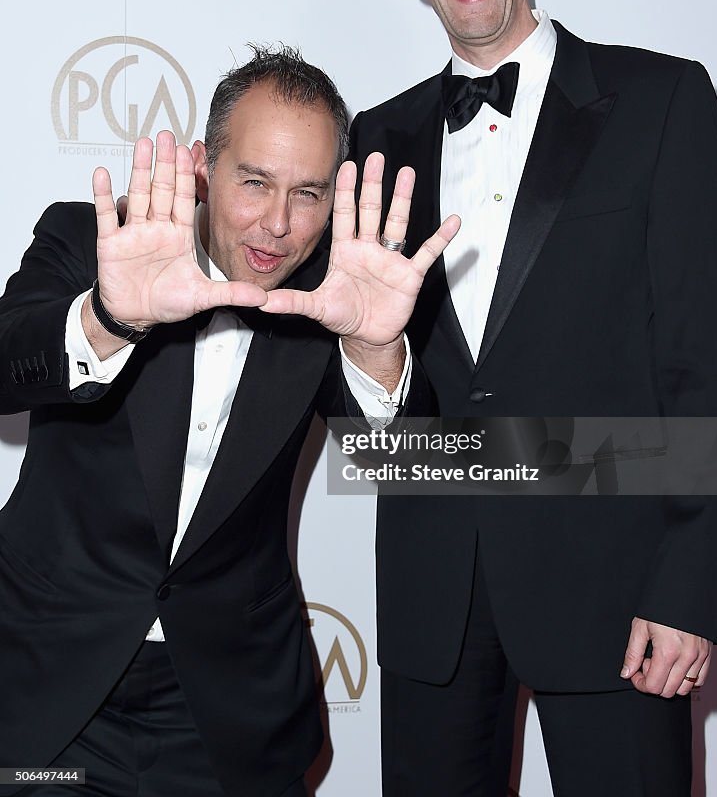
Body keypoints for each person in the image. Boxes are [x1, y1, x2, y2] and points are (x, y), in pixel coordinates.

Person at [350, 0, 717, 797]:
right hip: (433, 588)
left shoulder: (662, 100)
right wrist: (370, 353)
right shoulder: (374, 137)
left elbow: (708, 358)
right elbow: (368, 409)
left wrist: (688, 589)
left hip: (618, 592)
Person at [0, 44, 458, 797]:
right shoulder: (98, 244)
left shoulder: (338, 296)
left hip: (223, 715)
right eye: (254, 182)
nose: (276, 225)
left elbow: (407, 468)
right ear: (204, 167)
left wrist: (377, 353)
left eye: (308, 193)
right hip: (46, 694)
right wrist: (109, 316)